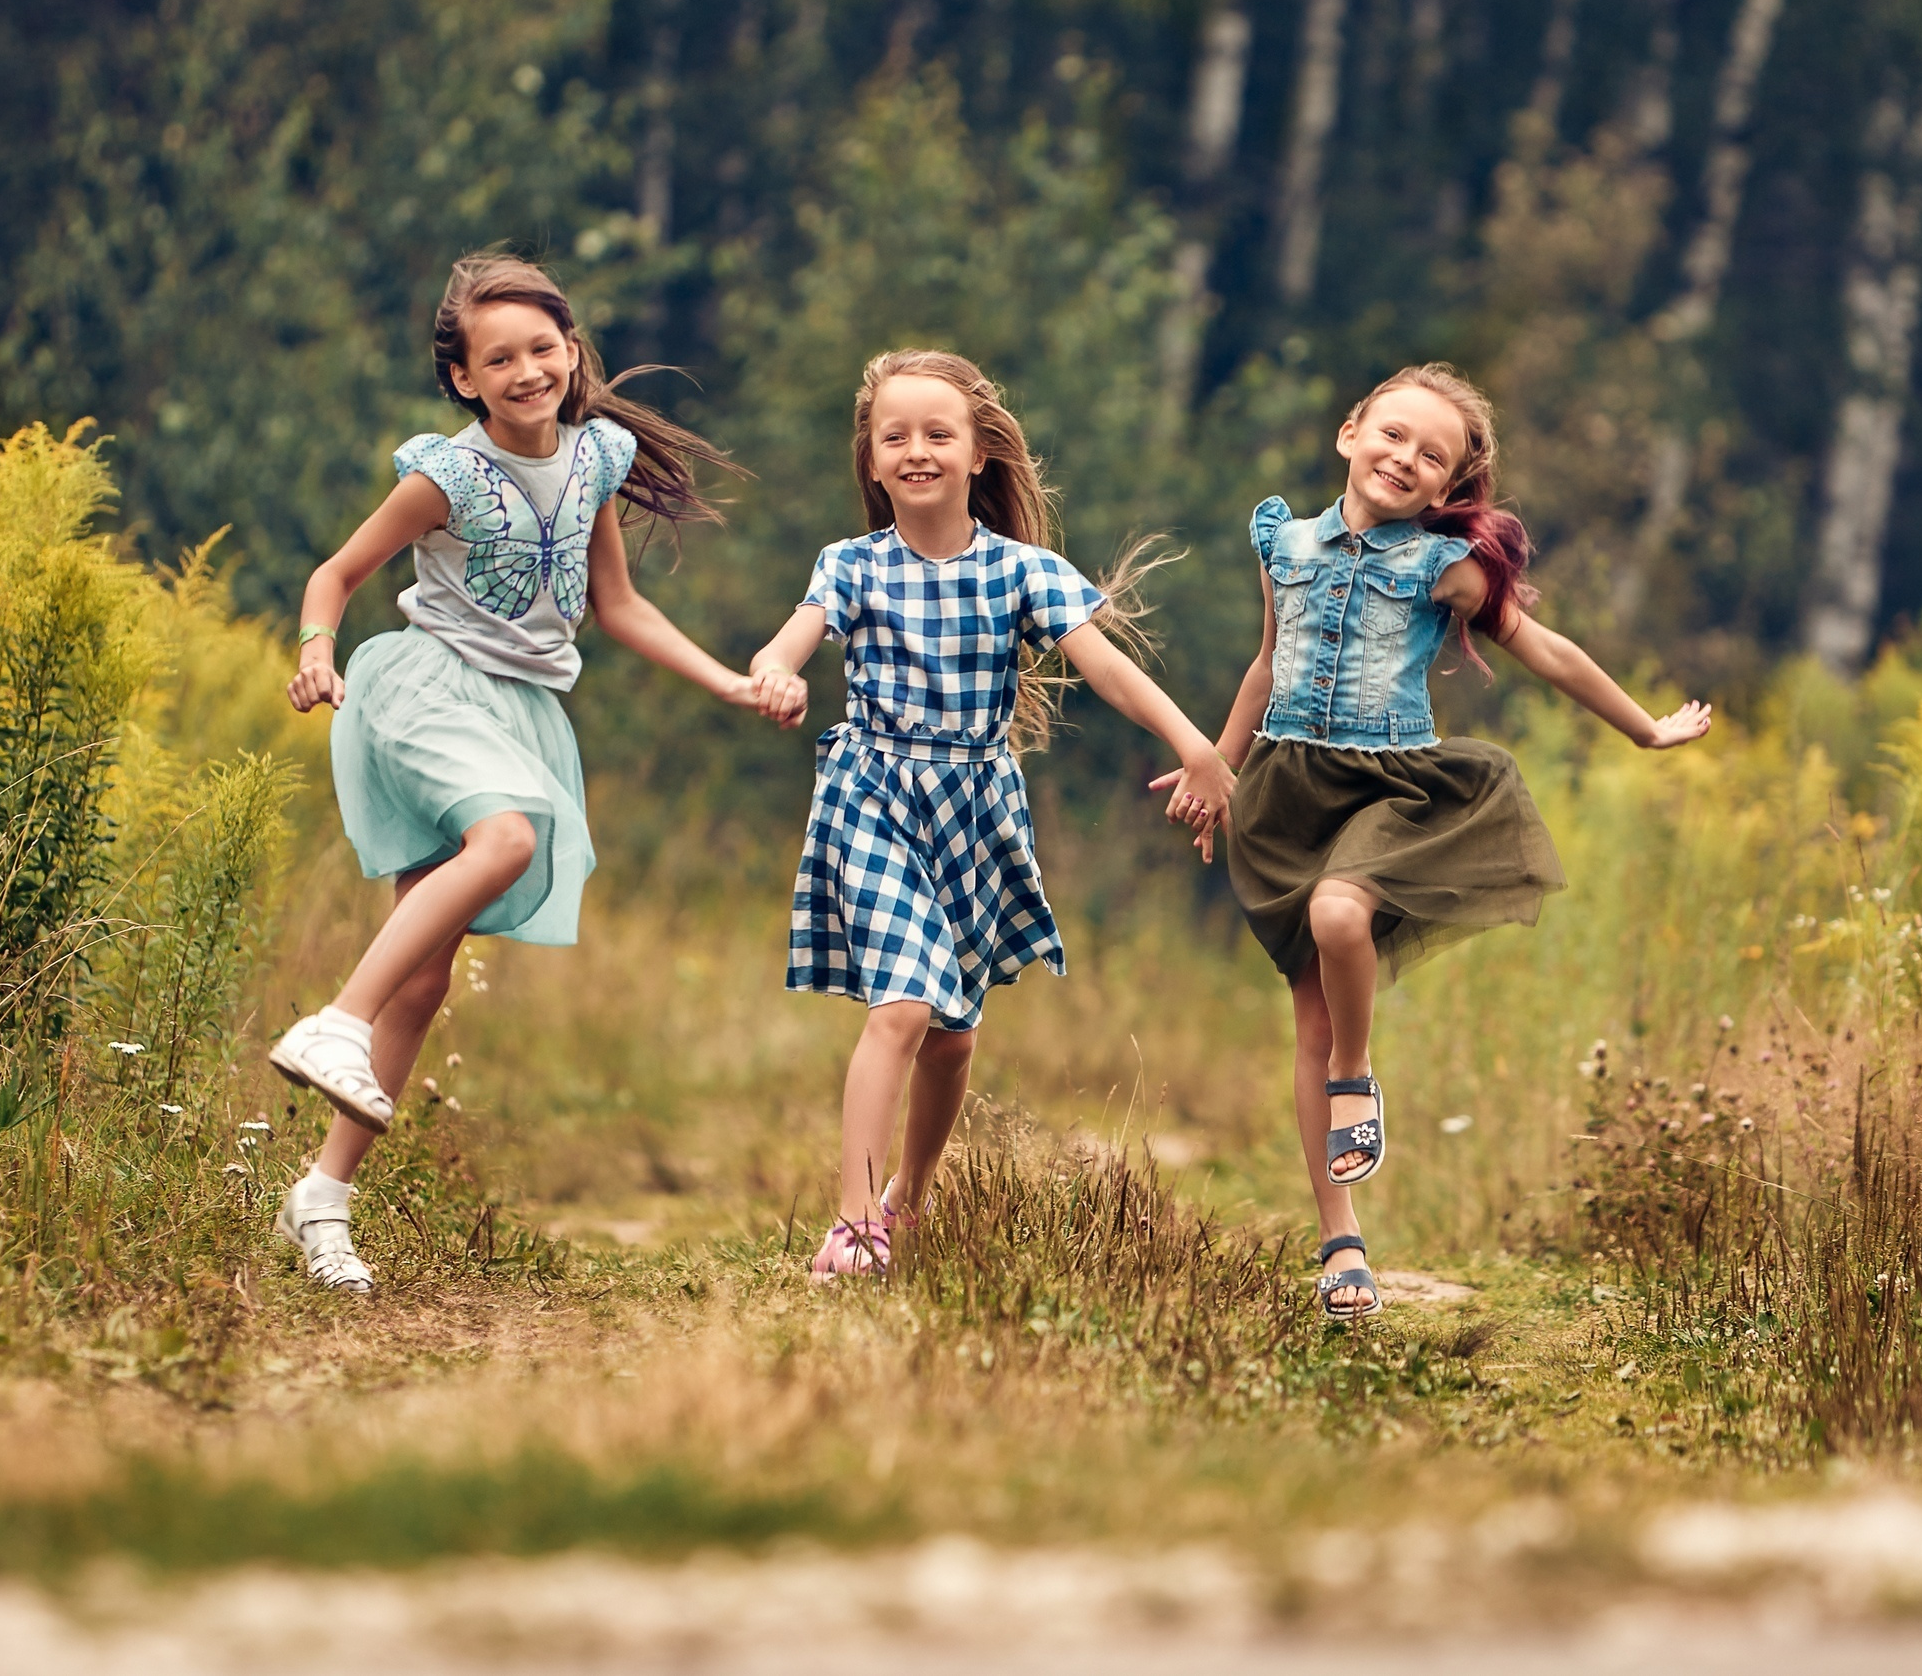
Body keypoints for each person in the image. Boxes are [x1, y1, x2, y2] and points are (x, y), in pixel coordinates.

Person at [269, 253, 804, 1293]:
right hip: (425, 689)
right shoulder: (445, 476)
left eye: (542, 349)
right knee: (508, 838)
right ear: (464, 378)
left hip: (518, 712)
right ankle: (334, 1020)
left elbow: (619, 607)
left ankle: (320, 1199)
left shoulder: (595, 456)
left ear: (571, 353)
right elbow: (334, 574)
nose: (526, 370)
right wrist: (312, 647)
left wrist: (727, 682)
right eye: (499, 357)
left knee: (425, 976)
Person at [1179, 363, 1712, 1318]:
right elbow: (1266, 666)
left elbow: (1546, 648)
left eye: (1433, 457)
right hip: (1287, 792)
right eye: (1392, 436)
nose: (1405, 460)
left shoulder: (1443, 569)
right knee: (1306, 1017)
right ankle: (1341, 1242)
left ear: (1448, 488)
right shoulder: (1284, 543)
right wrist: (1217, 765)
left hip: (1391, 787)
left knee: (1343, 914)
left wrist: (1643, 727)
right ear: (1350, 433)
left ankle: (1357, 1075)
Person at [747, 349, 1236, 1283]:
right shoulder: (850, 565)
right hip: (875, 797)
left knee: (953, 1035)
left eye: (939, 434)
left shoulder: (1025, 571)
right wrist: (774, 669)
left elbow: (1107, 669)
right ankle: (854, 1228)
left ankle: (911, 1203)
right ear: (873, 459)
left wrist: (1196, 746)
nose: (916, 450)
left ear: (979, 455)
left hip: (974, 809)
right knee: (901, 1004)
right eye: (896, 436)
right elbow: (796, 632)